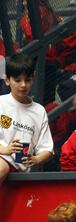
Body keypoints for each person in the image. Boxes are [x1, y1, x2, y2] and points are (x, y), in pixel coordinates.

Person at [0, 53, 53, 186]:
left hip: (20, 172)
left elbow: (47, 149)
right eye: (17, 80)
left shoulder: (39, 111)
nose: (23, 85)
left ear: (33, 78)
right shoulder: (1, 103)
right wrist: (4, 150)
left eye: (27, 80)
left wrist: (35, 159)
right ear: (7, 80)